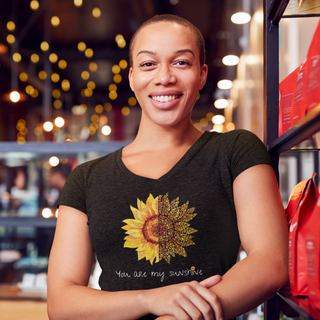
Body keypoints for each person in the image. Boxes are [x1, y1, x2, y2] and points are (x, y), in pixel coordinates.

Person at [47, 14, 288, 320]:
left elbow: (271, 262)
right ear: (132, 76)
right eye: (149, 64)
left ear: (202, 75)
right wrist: (150, 300)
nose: (164, 77)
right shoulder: (86, 178)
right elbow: (61, 302)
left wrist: (175, 317)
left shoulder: (235, 151)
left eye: (181, 63)